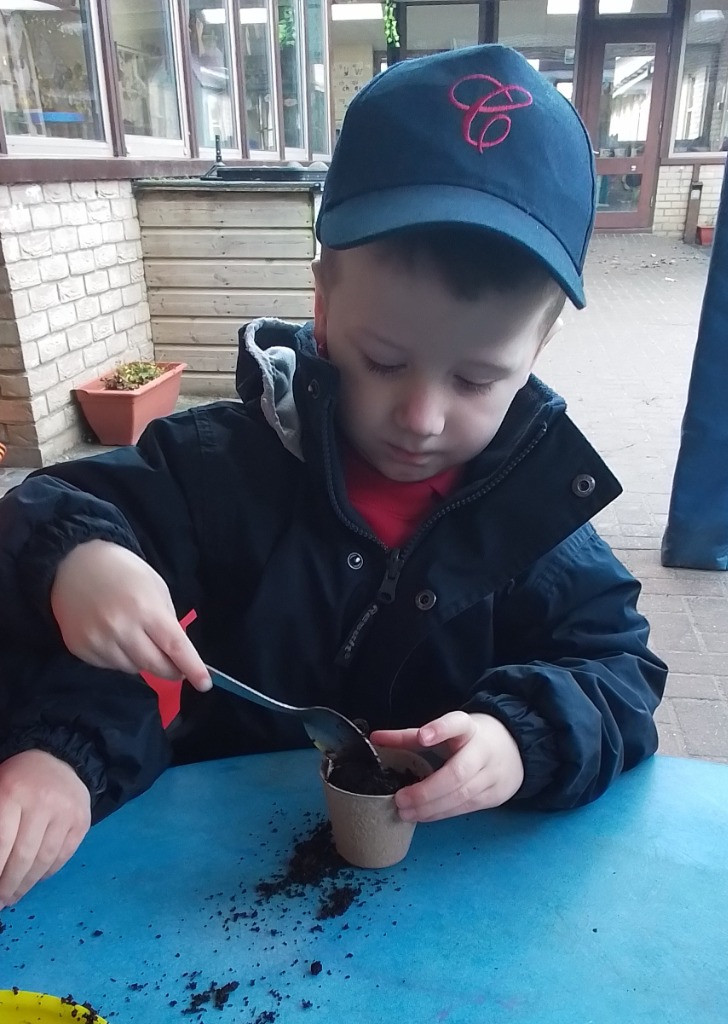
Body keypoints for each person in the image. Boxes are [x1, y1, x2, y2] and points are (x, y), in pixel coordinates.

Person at [0, 45, 666, 909]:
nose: (421, 418)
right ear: (321, 305)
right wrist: (76, 581)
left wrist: (520, 735)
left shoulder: (535, 522)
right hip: (209, 880)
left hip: (455, 903)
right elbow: (58, 519)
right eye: (383, 359)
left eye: (474, 381)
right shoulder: (219, 468)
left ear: (534, 354)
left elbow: (617, 672)